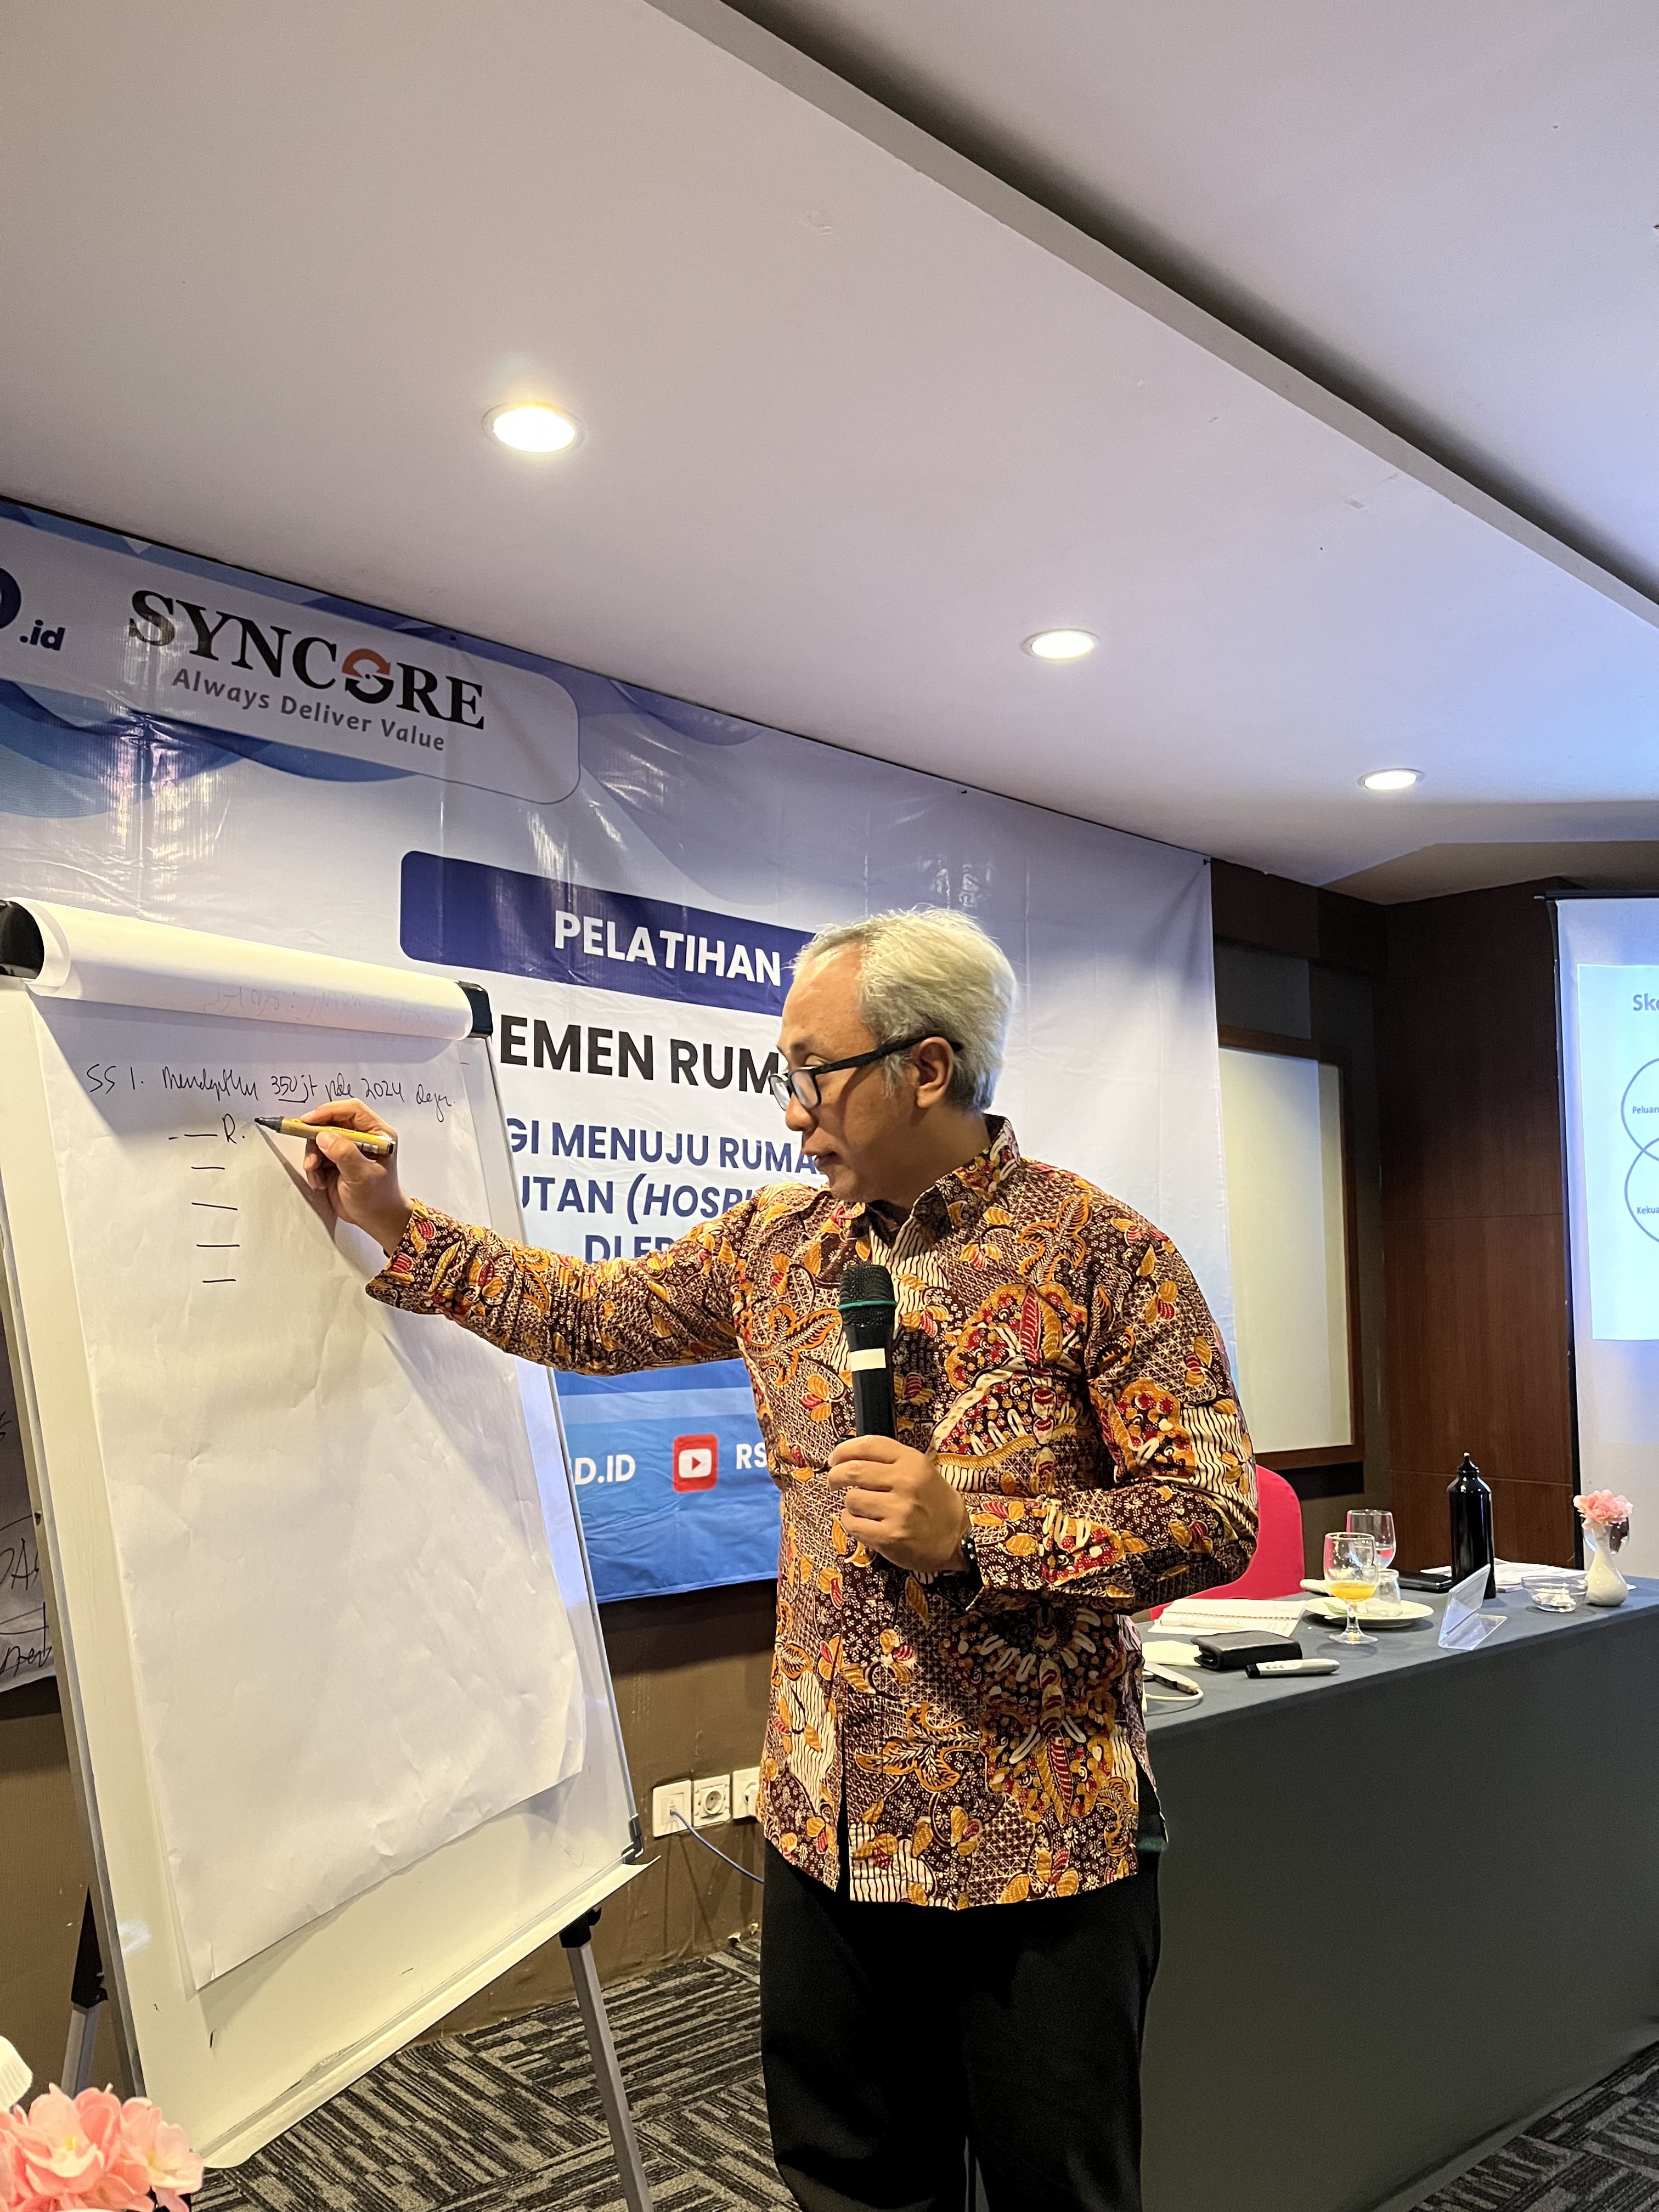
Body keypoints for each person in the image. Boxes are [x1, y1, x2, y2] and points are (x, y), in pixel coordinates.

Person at [300, 907, 1257, 2212]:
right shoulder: (776, 1245)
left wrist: (977, 1535)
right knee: (847, 2185)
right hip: (830, 1830)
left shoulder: (1106, 1254)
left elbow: (1211, 1512)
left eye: (814, 1071)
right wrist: (394, 1220)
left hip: (1036, 1846)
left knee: (1059, 2191)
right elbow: (593, 1317)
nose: (792, 1109)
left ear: (926, 1069)